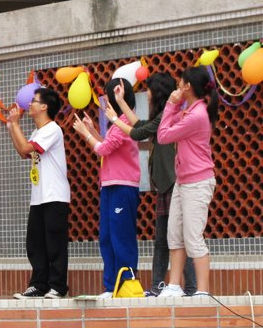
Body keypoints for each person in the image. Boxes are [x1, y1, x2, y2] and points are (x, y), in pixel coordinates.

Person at [104, 74, 197, 296]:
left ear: (157, 92)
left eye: (149, 89)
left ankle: (190, 287)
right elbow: (140, 125)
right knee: (163, 239)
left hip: (174, 183)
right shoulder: (163, 116)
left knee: (177, 238)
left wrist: (115, 118)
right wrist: (120, 103)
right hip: (165, 185)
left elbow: (138, 132)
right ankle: (158, 287)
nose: (146, 94)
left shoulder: (168, 115)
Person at [73, 78, 140, 299]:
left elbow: (103, 150)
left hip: (123, 185)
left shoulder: (125, 122)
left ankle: (126, 283)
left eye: (108, 98)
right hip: (110, 185)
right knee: (107, 237)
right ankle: (111, 286)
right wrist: (92, 130)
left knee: (121, 236)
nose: (106, 103)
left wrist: (85, 134)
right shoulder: (117, 123)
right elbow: (106, 146)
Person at [156, 65, 218, 298]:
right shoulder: (189, 110)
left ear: (188, 86)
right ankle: (174, 285)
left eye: (180, 83)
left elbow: (163, 136)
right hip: (183, 181)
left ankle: (202, 290)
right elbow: (167, 127)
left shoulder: (197, 114)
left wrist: (170, 104)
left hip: (198, 182)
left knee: (193, 237)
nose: (178, 86)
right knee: (175, 235)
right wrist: (175, 106)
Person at [7, 88, 71, 300]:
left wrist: (16, 125)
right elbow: (22, 152)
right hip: (39, 196)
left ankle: (58, 286)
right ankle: (38, 285)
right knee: (35, 243)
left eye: (34, 101)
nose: (30, 104)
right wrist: (12, 127)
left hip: (55, 195)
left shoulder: (52, 129)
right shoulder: (38, 132)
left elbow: (26, 148)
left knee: (55, 242)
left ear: (44, 106)